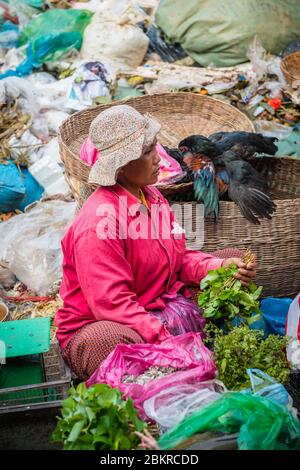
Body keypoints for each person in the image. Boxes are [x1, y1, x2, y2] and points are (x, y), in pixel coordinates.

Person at [55, 105, 257, 380]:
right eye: (148, 151)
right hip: (106, 322)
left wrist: (218, 266)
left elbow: (180, 258)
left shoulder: (151, 197)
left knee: (230, 270)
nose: (159, 159)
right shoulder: (98, 224)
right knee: (108, 343)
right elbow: (113, 304)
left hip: (157, 302)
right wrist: (163, 336)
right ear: (122, 165)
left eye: (155, 147)